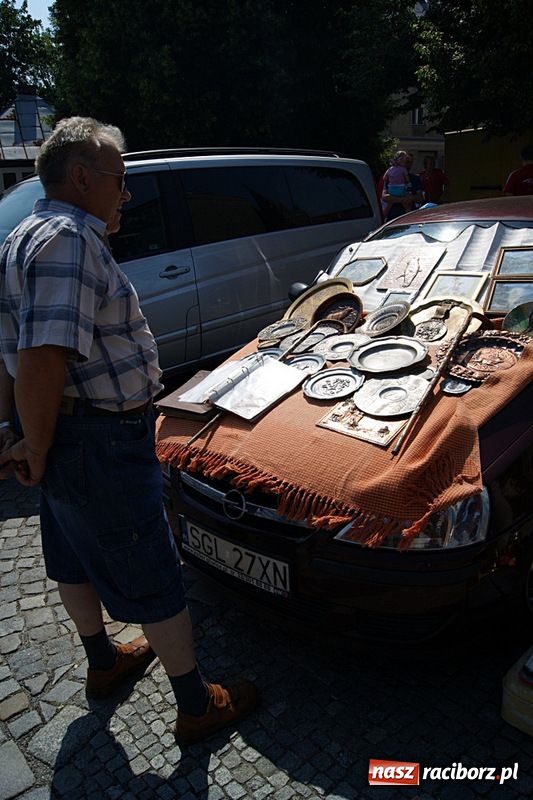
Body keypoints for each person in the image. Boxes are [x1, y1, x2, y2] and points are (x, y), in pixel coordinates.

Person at [0, 116, 259, 745]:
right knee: (151, 562)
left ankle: (103, 661)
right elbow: (41, 355)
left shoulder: (23, 234)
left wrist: (18, 433)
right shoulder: (68, 240)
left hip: (67, 434)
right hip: (97, 438)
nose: (126, 194)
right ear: (83, 177)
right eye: (119, 179)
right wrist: (31, 443)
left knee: (69, 550)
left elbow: (9, 350)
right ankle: (197, 704)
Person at [379, 151, 423, 222]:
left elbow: (420, 198)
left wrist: (412, 198)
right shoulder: (391, 177)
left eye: (410, 162)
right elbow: (385, 197)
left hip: (409, 217)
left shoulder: (415, 179)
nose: (408, 165)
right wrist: (403, 200)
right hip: (392, 217)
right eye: (406, 162)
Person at [381, 150, 412, 217]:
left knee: (389, 202)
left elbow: (384, 178)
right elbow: (407, 180)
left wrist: (392, 179)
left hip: (391, 189)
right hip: (401, 189)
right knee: (406, 203)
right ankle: (408, 214)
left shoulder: (390, 169)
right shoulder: (403, 169)